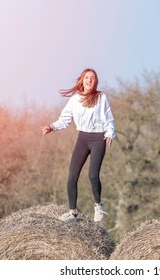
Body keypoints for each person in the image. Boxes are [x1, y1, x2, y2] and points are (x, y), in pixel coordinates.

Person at [41, 68, 115, 222]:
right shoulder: (75, 100)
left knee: (93, 175)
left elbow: (109, 118)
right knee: (72, 176)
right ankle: (73, 212)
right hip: (82, 138)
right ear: (82, 80)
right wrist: (51, 127)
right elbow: (65, 119)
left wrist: (109, 133)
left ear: (95, 82)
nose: (89, 80)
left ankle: (98, 206)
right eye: (87, 77)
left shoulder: (101, 97)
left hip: (98, 138)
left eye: (92, 78)